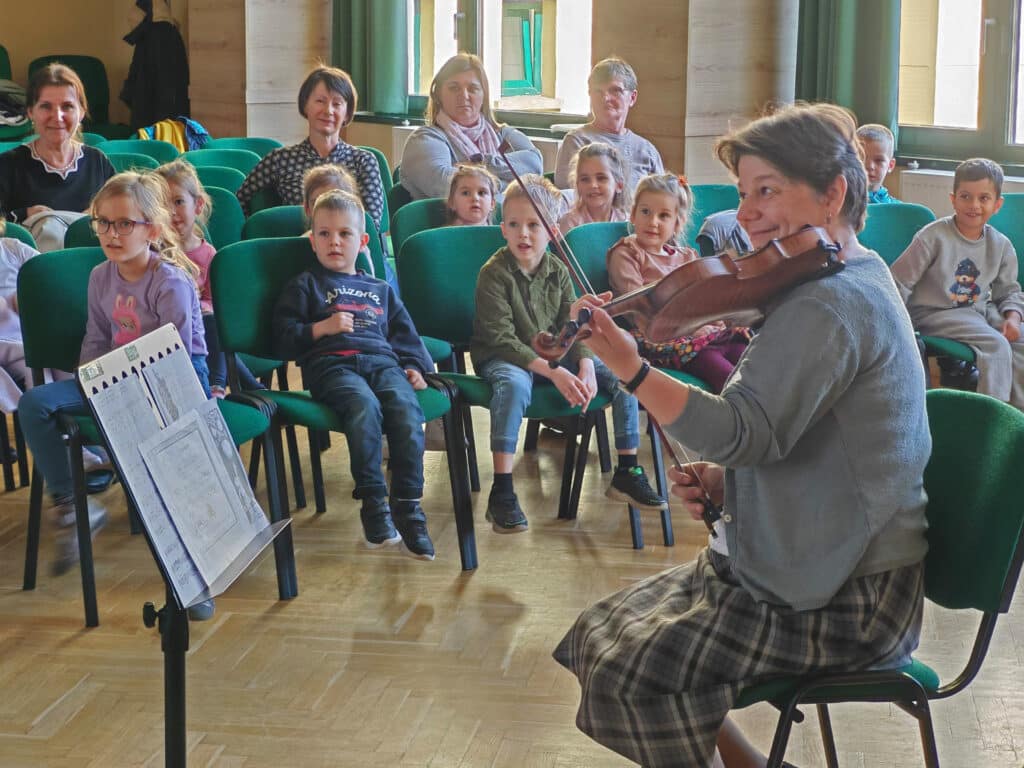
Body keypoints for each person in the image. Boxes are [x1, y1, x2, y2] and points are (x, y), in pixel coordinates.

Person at [553, 103, 929, 768]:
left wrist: (633, 370)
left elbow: (741, 432)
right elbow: (815, 439)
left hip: (849, 594)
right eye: (744, 192)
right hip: (819, 551)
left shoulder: (833, 302)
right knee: (600, 635)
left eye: (767, 191)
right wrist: (731, 483)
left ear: (833, 193)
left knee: (629, 674)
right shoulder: (846, 273)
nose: (747, 214)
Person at [19, 171, 210, 576]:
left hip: (172, 378)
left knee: (133, 421)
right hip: (115, 375)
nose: (111, 234)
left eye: (124, 223)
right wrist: (92, 378)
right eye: (103, 222)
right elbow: (96, 339)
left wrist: (118, 385)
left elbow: (172, 356)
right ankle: (74, 505)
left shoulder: (169, 281)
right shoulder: (99, 276)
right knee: (34, 404)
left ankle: (182, 530)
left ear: (151, 230)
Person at [470, 174, 665, 533]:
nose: (524, 234)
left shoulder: (558, 271)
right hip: (504, 356)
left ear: (553, 232)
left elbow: (572, 326)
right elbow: (502, 339)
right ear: (502, 229)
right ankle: (502, 489)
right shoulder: (493, 274)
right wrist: (555, 371)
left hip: (554, 354)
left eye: (534, 225)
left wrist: (586, 364)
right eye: (514, 224)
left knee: (623, 373)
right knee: (514, 385)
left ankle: (626, 469)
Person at [272, 190, 436, 559]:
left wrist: (414, 367)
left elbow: (405, 335)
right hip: (332, 366)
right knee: (363, 407)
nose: (334, 242)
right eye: (325, 233)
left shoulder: (379, 289)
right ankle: (374, 504)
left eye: (345, 234)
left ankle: (408, 505)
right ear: (313, 241)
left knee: (407, 410)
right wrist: (321, 328)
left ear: (362, 242)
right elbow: (281, 338)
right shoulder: (305, 285)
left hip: (383, 364)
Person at [891, 157, 1024, 408]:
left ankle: (1016, 415)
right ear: (953, 199)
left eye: (983, 198)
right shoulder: (932, 237)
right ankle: (991, 415)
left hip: (977, 311)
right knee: (996, 345)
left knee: (1019, 341)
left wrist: (1013, 318)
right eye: (965, 196)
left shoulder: (1001, 245)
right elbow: (899, 282)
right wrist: (897, 325)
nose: (974, 205)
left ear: (997, 204)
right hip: (934, 313)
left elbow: (1009, 292)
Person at [607, 173, 748, 393]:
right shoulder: (627, 253)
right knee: (730, 382)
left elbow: (706, 300)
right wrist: (695, 328)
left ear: (677, 224)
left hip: (708, 335)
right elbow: (641, 307)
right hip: (666, 341)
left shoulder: (687, 256)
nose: (653, 222)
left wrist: (719, 321)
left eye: (663, 215)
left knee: (753, 364)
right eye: (645, 212)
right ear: (633, 214)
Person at [235, 65, 387, 252]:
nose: (328, 110)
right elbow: (239, 200)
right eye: (320, 101)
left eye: (337, 104)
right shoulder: (280, 159)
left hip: (352, 255)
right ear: (305, 105)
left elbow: (371, 223)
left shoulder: (364, 161)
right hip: (298, 252)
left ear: (347, 113)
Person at [155, 160, 262, 398]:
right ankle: (246, 388)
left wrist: (200, 305)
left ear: (198, 205)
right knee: (213, 329)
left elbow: (214, 301)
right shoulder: (153, 254)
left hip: (203, 332)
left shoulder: (208, 254)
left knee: (213, 323)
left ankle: (219, 385)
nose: (171, 212)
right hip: (168, 333)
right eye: (163, 204)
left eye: (178, 202)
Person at [400, 53, 543, 201]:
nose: (464, 95)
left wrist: (480, 163)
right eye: (454, 88)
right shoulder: (425, 139)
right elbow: (448, 187)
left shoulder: (503, 134)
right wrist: (510, 185)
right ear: (438, 94)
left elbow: (535, 165)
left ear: (484, 95)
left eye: (473, 88)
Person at [0, 63, 114, 247]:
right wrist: (24, 214)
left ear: (81, 112)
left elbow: (125, 216)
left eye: (67, 106)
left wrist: (99, 214)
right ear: (30, 112)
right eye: (46, 106)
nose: (57, 116)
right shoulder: (8, 164)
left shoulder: (98, 162)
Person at [553, 57, 664, 193]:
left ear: (632, 97)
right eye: (598, 91)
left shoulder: (647, 151)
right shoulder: (577, 142)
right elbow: (569, 199)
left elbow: (663, 198)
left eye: (615, 91)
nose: (605, 98)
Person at [557, 142, 630, 232]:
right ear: (577, 185)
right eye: (585, 179)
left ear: (619, 185)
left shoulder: (626, 222)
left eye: (601, 178)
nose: (593, 185)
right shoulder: (570, 224)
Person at [857, 123, 899, 204]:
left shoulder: (896, 208)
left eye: (878, 160)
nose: (869, 166)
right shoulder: (839, 204)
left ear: (890, 165)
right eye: (862, 158)